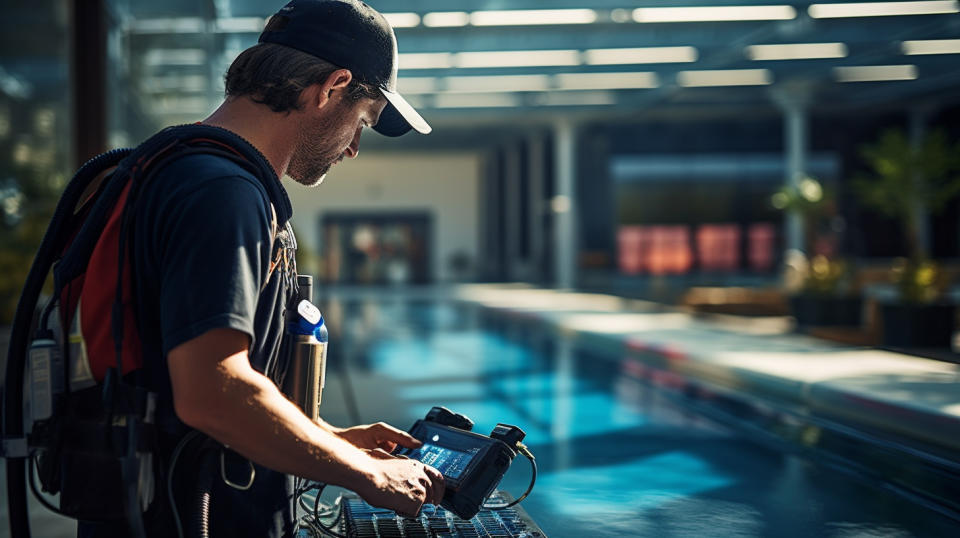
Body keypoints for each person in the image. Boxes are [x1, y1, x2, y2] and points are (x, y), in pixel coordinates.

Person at [78, 1, 443, 536]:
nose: (353, 150)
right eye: (361, 121)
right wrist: (368, 475)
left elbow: (173, 381)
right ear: (332, 86)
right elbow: (211, 391)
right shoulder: (223, 194)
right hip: (189, 518)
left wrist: (326, 437)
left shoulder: (182, 170)